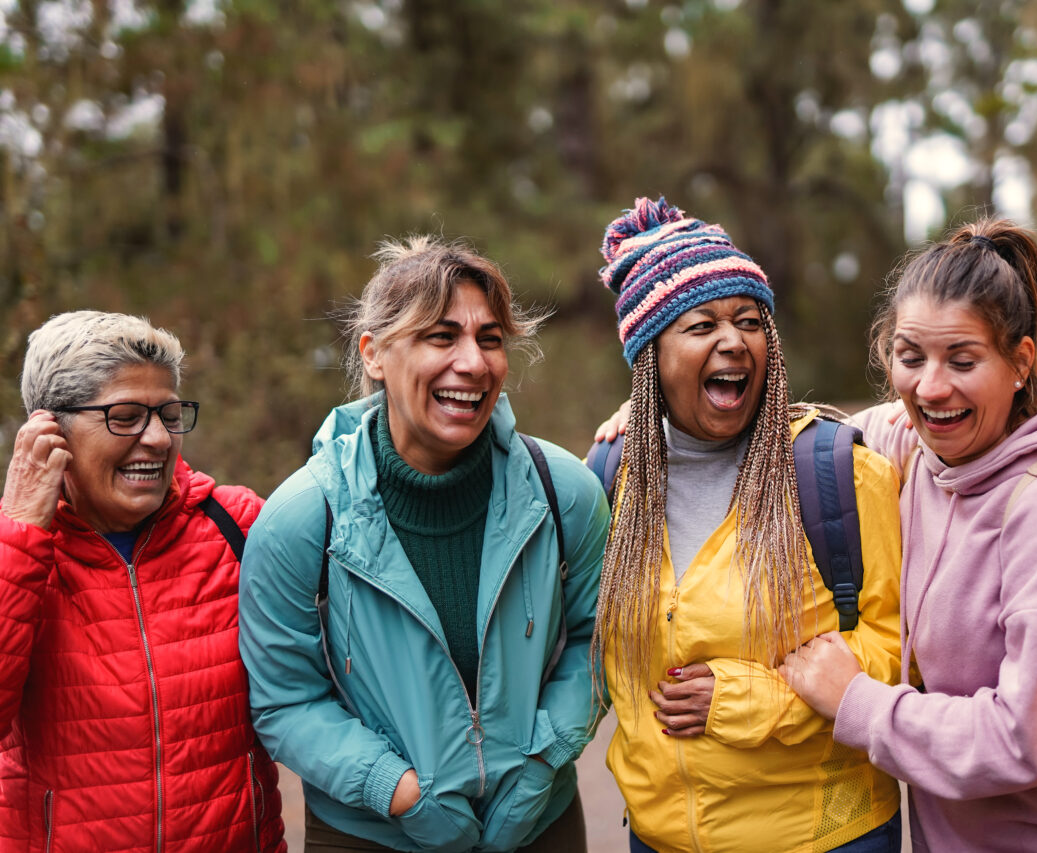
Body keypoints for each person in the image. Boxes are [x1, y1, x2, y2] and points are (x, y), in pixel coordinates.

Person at [778, 219, 1037, 851]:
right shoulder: (916, 448)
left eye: (963, 361)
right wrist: (656, 412)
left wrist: (858, 702)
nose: (931, 388)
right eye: (910, 357)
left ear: (1020, 362)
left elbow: (1030, 737)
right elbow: (808, 436)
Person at [238, 236, 610, 852]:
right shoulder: (303, 520)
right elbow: (285, 700)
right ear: (375, 354)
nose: (473, 362)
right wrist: (399, 791)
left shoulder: (562, 491)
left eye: (489, 339)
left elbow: (597, 643)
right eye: (441, 337)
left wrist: (541, 765)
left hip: (540, 823)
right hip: (369, 834)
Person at [591, 198, 904, 853]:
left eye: (748, 320)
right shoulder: (612, 480)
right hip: (658, 837)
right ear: (651, 356)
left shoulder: (837, 475)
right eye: (701, 323)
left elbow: (900, 653)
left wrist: (749, 699)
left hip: (822, 837)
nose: (733, 340)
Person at [0, 311, 286, 852]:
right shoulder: (16, 553)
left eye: (169, 415)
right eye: (125, 417)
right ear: (48, 431)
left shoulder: (238, 526)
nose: (156, 439)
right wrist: (18, 535)